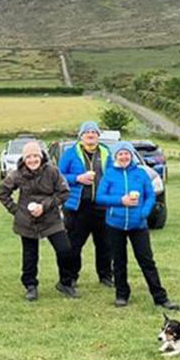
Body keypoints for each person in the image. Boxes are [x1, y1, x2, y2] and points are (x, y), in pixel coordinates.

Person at [95, 142, 179, 310]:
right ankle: (121, 294)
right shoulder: (109, 174)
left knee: (146, 261)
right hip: (115, 224)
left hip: (138, 225)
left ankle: (160, 297)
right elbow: (100, 198)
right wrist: (121, 201)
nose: (124, 157)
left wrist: (144, 213)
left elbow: (150, 196)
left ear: (131, 156)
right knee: (119, 261)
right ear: (115, 156)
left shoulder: (141, 173)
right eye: (121, 154)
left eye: (127, 154)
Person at [0, 141, 76, 300]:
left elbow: (64, 193)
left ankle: (65, 283)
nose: (32, 160)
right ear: (24, 159)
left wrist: (45, 206)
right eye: (29, 157)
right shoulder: (16, 174)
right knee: (30, 255)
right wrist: (17, 212)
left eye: (35, 156)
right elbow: (2, 193)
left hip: (51, 219)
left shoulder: (52, 171)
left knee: (65, 250)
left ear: (41, 156)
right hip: (27, 222)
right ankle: (30, 286)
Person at [58, 121, 113, 290]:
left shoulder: (105, 152)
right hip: (78, 206)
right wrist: (77, 178)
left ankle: (105, 276)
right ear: (81, 136)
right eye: (87, 132)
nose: (90, 135)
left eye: (94, 132)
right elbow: (59, 176)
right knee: (74, 245)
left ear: (98, 135)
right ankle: (71, 278)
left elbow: (112, 174)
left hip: (101, 206)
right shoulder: (70, 153)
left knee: (104, 244)